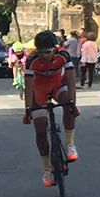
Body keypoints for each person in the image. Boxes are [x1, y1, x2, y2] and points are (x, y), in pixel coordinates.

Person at [23, 31, 78, 188]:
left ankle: (69, 144)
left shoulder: (63, 55)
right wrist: (28, 110)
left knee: (67, 102)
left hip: (57, 85)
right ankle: (47, 167)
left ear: (55, 48)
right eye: (40, 52)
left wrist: (73, 104)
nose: (44, 56)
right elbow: (29, 87)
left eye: (47, 52)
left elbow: (71, 80)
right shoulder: (31, 60)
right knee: (40, 128)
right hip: (38, 89)